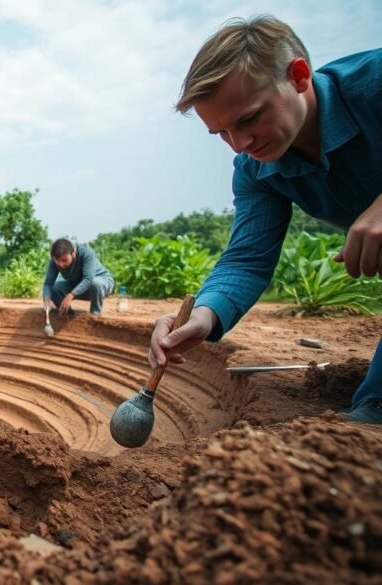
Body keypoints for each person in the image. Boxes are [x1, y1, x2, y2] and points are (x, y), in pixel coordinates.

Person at [149, 16, 382, 424]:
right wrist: (204, 317)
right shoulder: (254, 168)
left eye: (248, 119)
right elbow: (247, 259)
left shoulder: (373, 84)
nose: (240, 145)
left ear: (298, 76)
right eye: (220, 133)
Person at [42, 238, 115, 317]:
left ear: (73, 253)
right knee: (54, 288)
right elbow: (48, 283)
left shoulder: (86, 253)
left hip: (100, 285)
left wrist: (70, 296)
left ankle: (95, 315)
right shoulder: (54, 261)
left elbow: (88, 279)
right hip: (76, 284)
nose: (60, 264)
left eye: (64, 260)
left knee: (95, 283)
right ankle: (67, 314)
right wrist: (46, 300)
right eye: (57, 261)